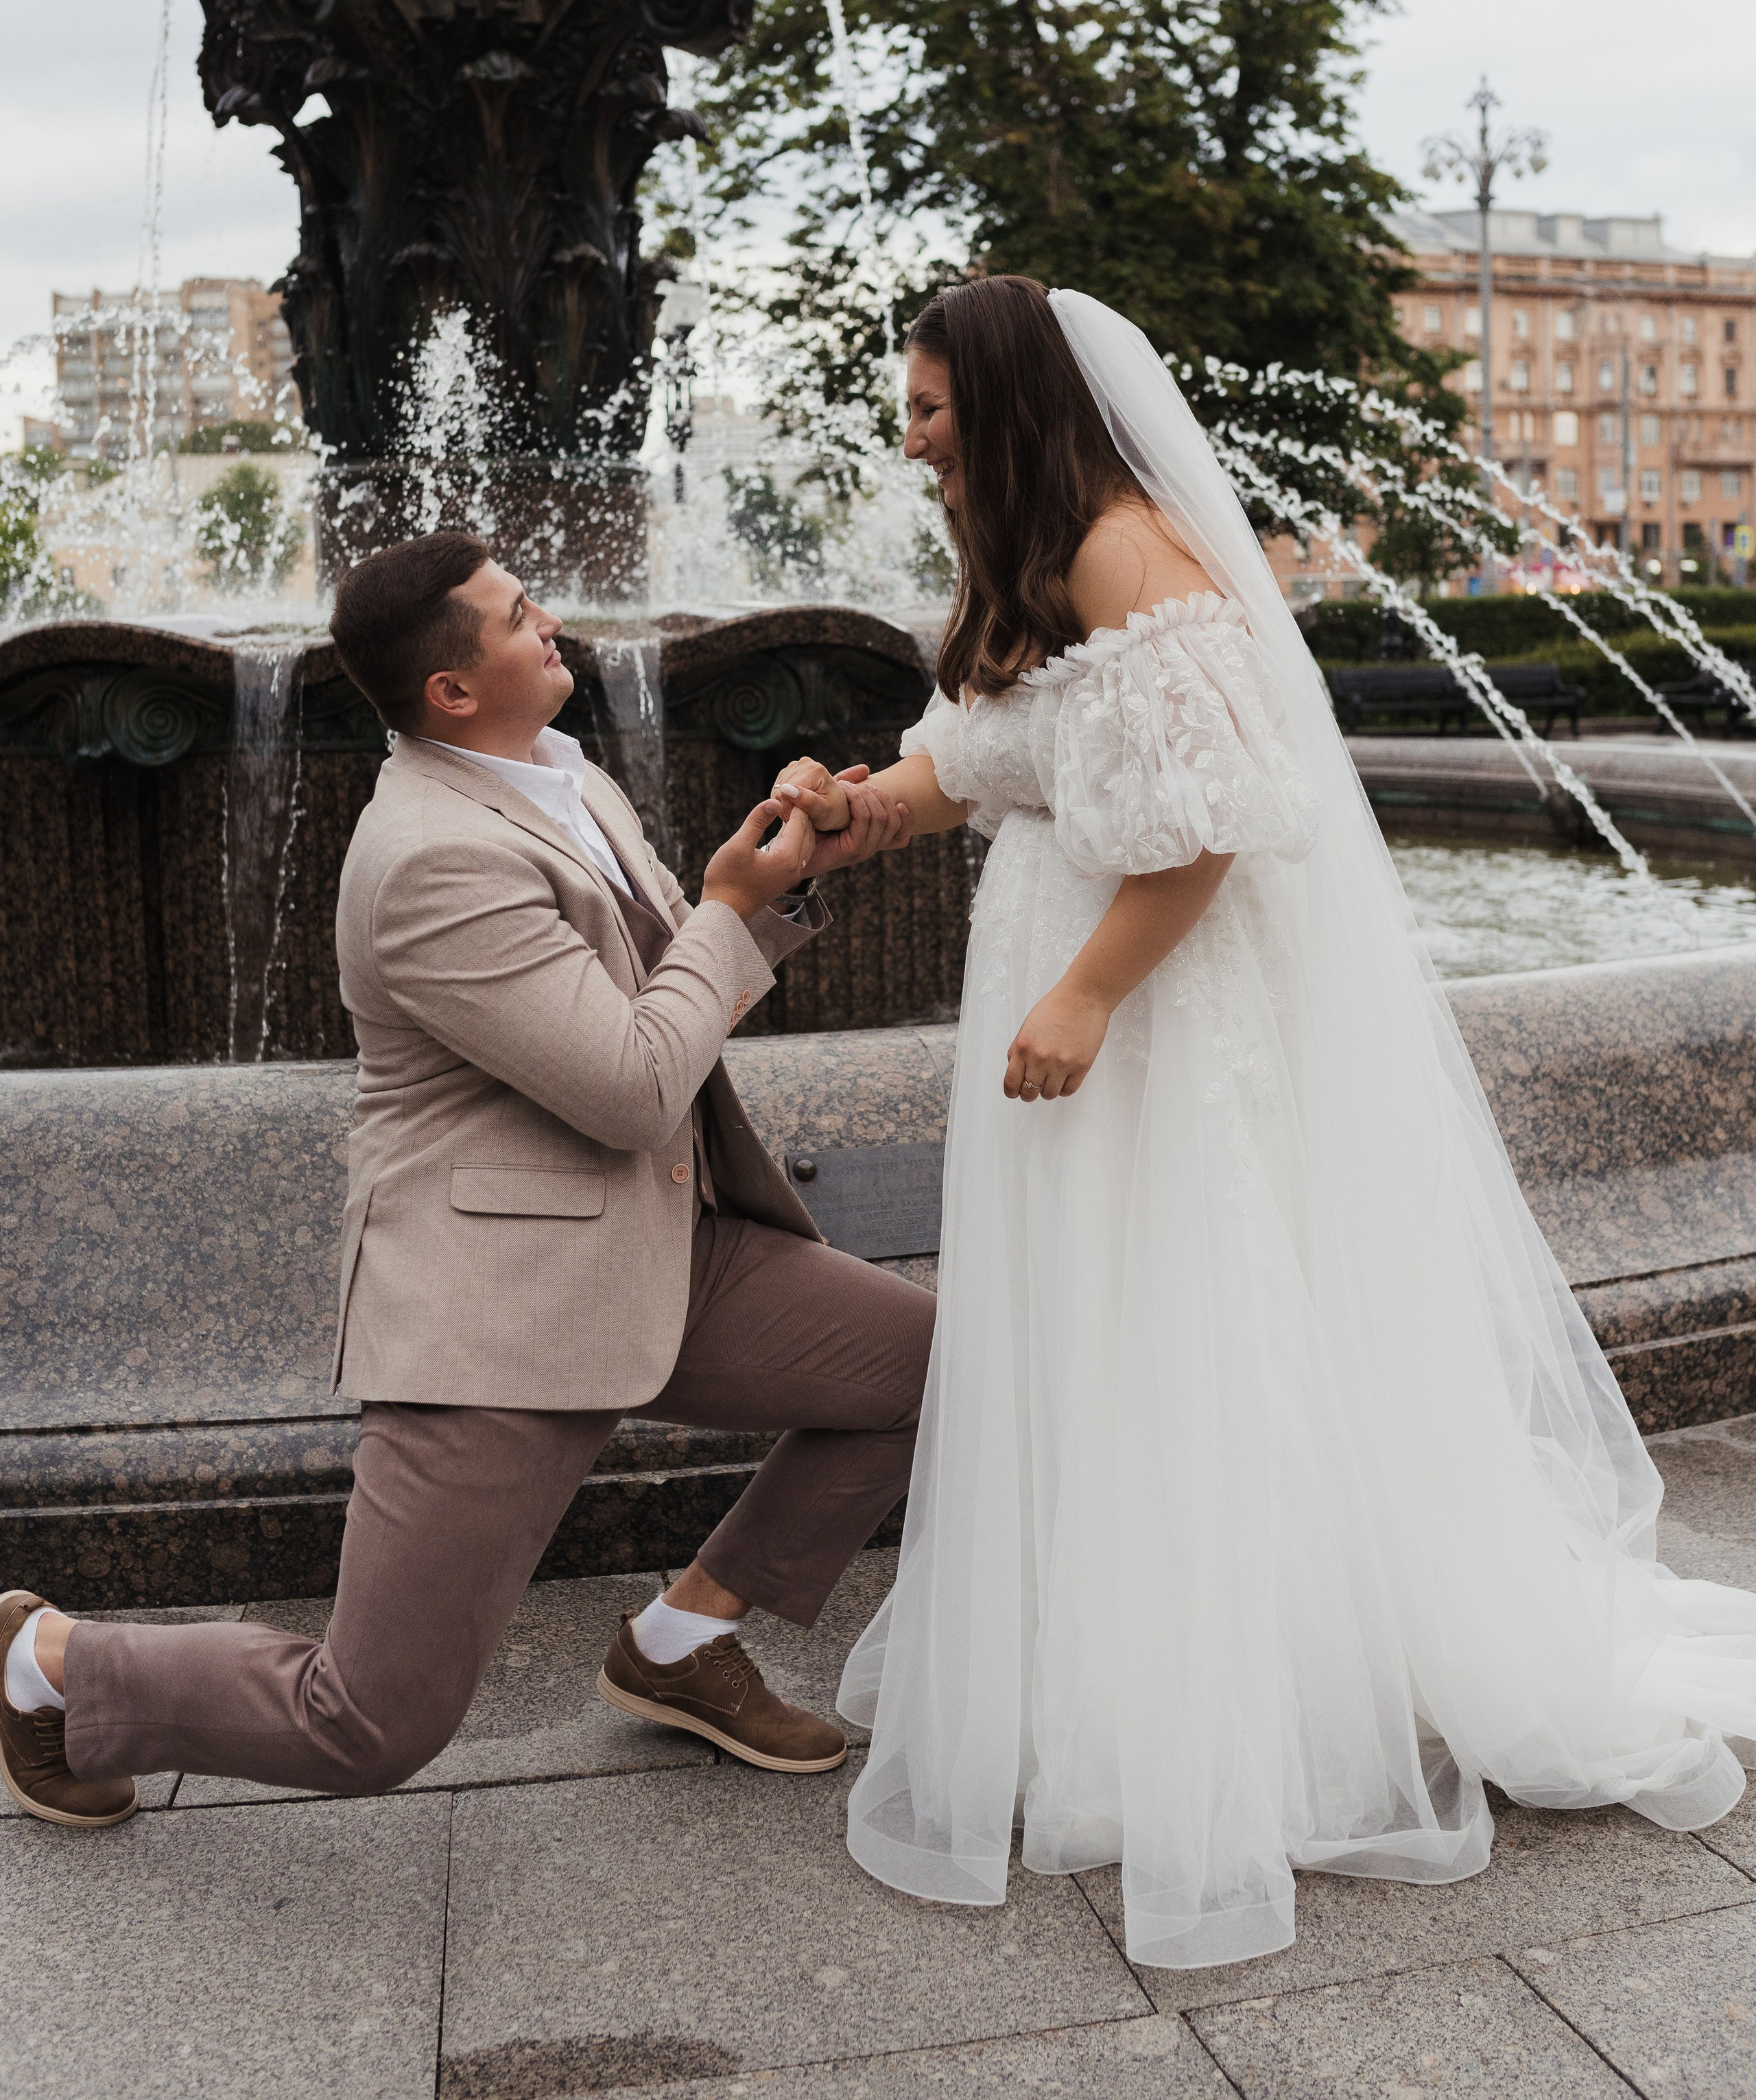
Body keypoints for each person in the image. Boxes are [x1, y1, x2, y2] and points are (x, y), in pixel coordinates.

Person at [773, 275, 1756, 1972]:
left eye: (931, 406)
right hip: (1075, 979)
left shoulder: (1126, 555)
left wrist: (1081, 997)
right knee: (1102, 1326)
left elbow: (1205, 828)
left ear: (1006, 405)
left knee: (1195, 1314)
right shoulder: (1028, 558)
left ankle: (1262, 1697)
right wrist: (858, 810)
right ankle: (1122, 1654)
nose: (911, 432)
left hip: (1151, 1010)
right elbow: (986, 753)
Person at [1, 530, 933, 1827]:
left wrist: (775, 879)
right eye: (515, 615)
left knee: (930, 1368)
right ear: (450, 689)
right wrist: (727, 907)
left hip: (663, 1240)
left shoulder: (562, 775)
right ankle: (45, 1666)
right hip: (499, 1307)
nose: (550, 621)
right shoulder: (428, 859)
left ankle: (681, 1640)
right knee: (369, 1723)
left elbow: (669, 980)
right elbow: (628, 1082)